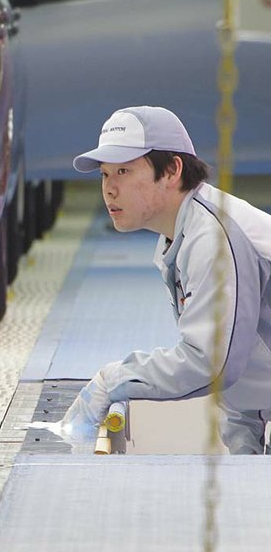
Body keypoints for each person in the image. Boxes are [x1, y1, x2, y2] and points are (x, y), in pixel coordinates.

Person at [62, 106, 271, 455]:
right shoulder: (183, 236)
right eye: (104, 175)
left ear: (172, 169)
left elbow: (209, 362)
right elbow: (243, 352)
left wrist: (115, 380)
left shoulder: (213, 239)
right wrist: (243, 436)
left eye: (124, 171)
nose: (110, 190)